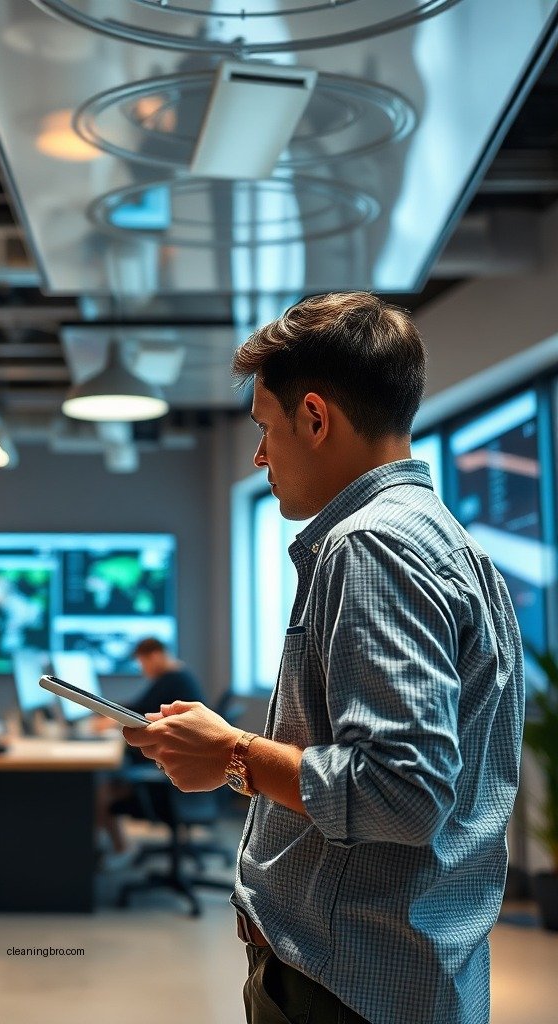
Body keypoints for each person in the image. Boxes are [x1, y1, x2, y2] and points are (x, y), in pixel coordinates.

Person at [124, 292, 523, 1024]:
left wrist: (234, 754)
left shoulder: (369, 545)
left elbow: (401, 791)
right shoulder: (454, 547)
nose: (259, 455)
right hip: (409, 972)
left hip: (344, 987)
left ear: (314, 417)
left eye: (265, 429)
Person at [96, 637, 206, 858]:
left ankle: (120, 848)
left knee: (103, 786)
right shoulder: (179, 677)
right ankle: (113, 845)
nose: (142, 669)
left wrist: (107, 719)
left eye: (142, 663)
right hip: (183, 764)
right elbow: (141, 707)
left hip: (171, 775)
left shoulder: (172, 679)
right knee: (115, 770)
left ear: (155, 656)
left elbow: (140, 712)